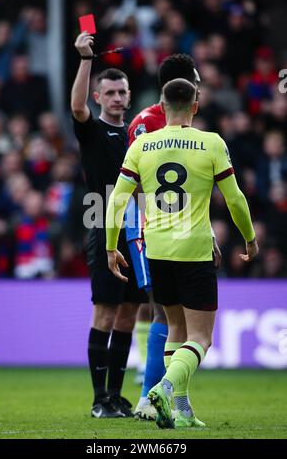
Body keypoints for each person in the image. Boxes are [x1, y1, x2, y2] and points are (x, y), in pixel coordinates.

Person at [106, 78, 258, 428]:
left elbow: (117, 199)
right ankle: (165, 385)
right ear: (196, 105)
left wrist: (111, 247)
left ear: (162, 104)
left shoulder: (142, 145)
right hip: (194, 248)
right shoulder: (211, 143)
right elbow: (234, 199)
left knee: (175, 328)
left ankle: (181, 409)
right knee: (201, 338)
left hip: (156, 249)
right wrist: (249, 238)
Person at [127, 54, 221, 420]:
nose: (200, 88)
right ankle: (151, 396)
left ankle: (176, 404)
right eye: (196, 81)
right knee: (162, 315)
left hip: (172, 230)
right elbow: (133, 182)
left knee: (169, 319)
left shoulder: (177, 125)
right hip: (153, 228)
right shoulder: (148, 123)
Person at [71, 32, 147, 418]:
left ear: (129, 95)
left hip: (137, 233)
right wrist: (86, 60)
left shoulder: (139, 137)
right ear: (99, 97)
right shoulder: (92, 129)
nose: (117, 98)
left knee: (130, 314)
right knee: (104, 313)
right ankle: (99, 399)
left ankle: (116, 396)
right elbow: (76, 107)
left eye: (123, 92)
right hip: (103, 225)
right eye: (111, 93)